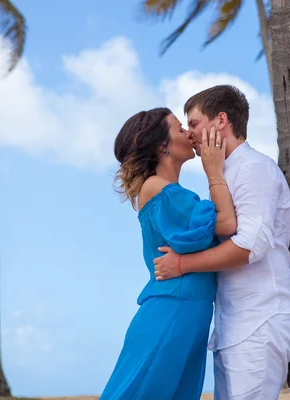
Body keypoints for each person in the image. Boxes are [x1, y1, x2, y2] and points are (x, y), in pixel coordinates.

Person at [153, 85, 290, 400]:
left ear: (221, 120)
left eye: (194, 124)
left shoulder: (253, 167)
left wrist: (182, 264)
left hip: (260, 320)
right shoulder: (225, 173)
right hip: (235, 325)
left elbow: (252, 244)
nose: (190, 134)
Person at [100, 107, 237, 399]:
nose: (189, 133)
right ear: (163, 146)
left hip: (188, 311)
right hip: (173, 311)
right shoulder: (161, 190)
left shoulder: (168, 191)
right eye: (179, 129)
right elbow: (227, 223)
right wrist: (214, 171)